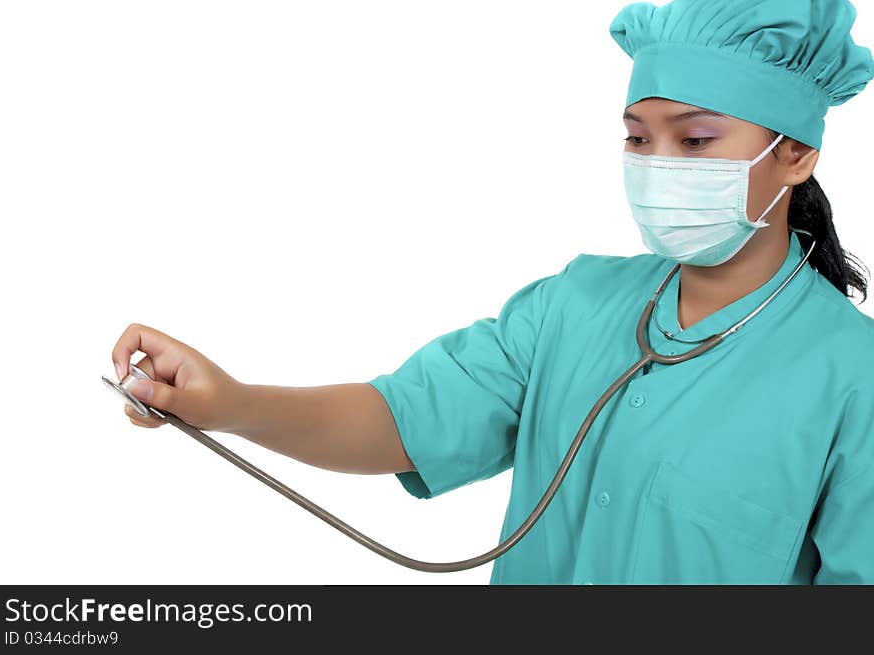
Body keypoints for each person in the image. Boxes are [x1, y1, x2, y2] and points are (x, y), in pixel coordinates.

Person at [111, 0, 874, 584]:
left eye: (696, 140)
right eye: (638, 138)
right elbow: (402, 418)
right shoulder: (572, 304)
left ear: (797, 154)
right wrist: (230, 401)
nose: (659, 163)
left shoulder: (852, 376)